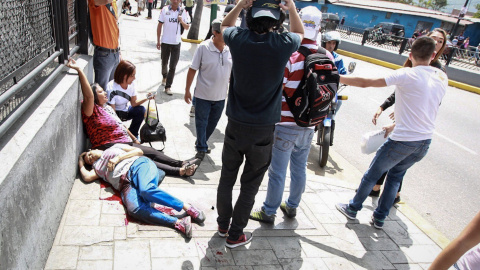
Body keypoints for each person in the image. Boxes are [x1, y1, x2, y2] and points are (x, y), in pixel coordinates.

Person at [336, 36, 448, 230]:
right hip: (424, 143)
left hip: (402, 141)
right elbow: (424, 108)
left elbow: (366, 82)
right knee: (395, 177)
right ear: (432, 56)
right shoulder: (441, 77)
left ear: (410, 55)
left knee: (372, 175)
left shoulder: (408, 74)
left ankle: (353, 208)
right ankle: (379, 218)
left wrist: (335, 77)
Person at [216, 0, 303, 248]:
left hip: (235, 124)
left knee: (227, 177)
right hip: (263, 130)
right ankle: (235, 234)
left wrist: (241, 5)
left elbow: (224, 25)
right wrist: (293, 8)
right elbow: (299, 33)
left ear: (250, 18)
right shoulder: (281, 44)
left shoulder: (238, 39)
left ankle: (223, 225)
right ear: (276, 22)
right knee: (250, 185)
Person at [249, 6, 332, 223]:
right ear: (320, 27)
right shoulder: (326, 55)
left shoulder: (291, 54)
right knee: (299, 169)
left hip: (286, 123)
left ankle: (269, 211)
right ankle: (292, 206)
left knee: (277, 172)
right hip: (310, 124)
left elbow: (278, 86)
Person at [67, 59, 200, 177]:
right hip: (107, 145)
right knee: (143, 157)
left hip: (122, 141)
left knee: (151, 151)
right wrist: (79, 70)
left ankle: (182, 163)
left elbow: (120, 125)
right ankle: (180, 170)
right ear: (95, 97)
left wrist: (135, 139)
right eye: (101, 92)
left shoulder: (106, 108)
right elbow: (89, 96)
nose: (105, 93)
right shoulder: (91, 110)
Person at [368, 28, 448, 204]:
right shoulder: (416, 61)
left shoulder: (437, 72)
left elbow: (428, 107)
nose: (435, 41)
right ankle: (383, 193)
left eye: (440, 40)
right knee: (394, 165)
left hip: (413, 129)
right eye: (432, 38)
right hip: (408, 126)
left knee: (392, 163)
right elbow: (400, 87)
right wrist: (383, 106)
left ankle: (380, 194)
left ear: (440, 48)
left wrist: (398, 124)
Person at [78, 144, 206, 238]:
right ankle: (178, 223)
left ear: (94, 149)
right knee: (133, 209)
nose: (90, 158)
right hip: (125, 185)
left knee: (146, 190)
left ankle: (187, 207)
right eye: (89, 160)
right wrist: (80, 161)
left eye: (89, 154)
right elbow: (87, 177)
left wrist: (118, 158)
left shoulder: (114, 148)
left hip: (138, 165)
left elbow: (138, 151)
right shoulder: (97, 168)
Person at [184, 19, 233, 160]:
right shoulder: (203, 48)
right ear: (215, 32)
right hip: (202, 95)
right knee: (201, 122)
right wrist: (187, 90)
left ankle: (201, 141)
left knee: (212, 123)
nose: (228, 36)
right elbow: (192, 69)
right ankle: (201, 147)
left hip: (221, 96)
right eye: (225, 33)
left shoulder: (230, 49)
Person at [106, 60, 151, 139]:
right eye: (132, 75)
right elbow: (113, 115)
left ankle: (134, 132)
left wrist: (147, 98)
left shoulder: (132, 84)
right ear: (124, 75)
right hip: (116, 113)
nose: (134, 78)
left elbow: (133, 103)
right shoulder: (111, 87)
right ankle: (125, 135)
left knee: (141, 110)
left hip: (126, 110)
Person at [156, 0, 191, 95]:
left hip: (176, 43)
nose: (175, 1)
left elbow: (187, 27)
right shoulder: (164, 10)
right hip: (165, 42)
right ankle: (164, 76)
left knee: (173, 66)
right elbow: (159, 25)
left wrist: (181, 21)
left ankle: (168, 86)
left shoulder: (183, 11)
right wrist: (158, 40)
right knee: (164, 62)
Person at [88, 0, 120, 91]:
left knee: (112, 91)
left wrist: (118, 51)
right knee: (101, 92)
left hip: (115, 53)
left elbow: (114, 28)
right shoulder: (99, 2)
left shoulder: (113, 3)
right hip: (104, 54)